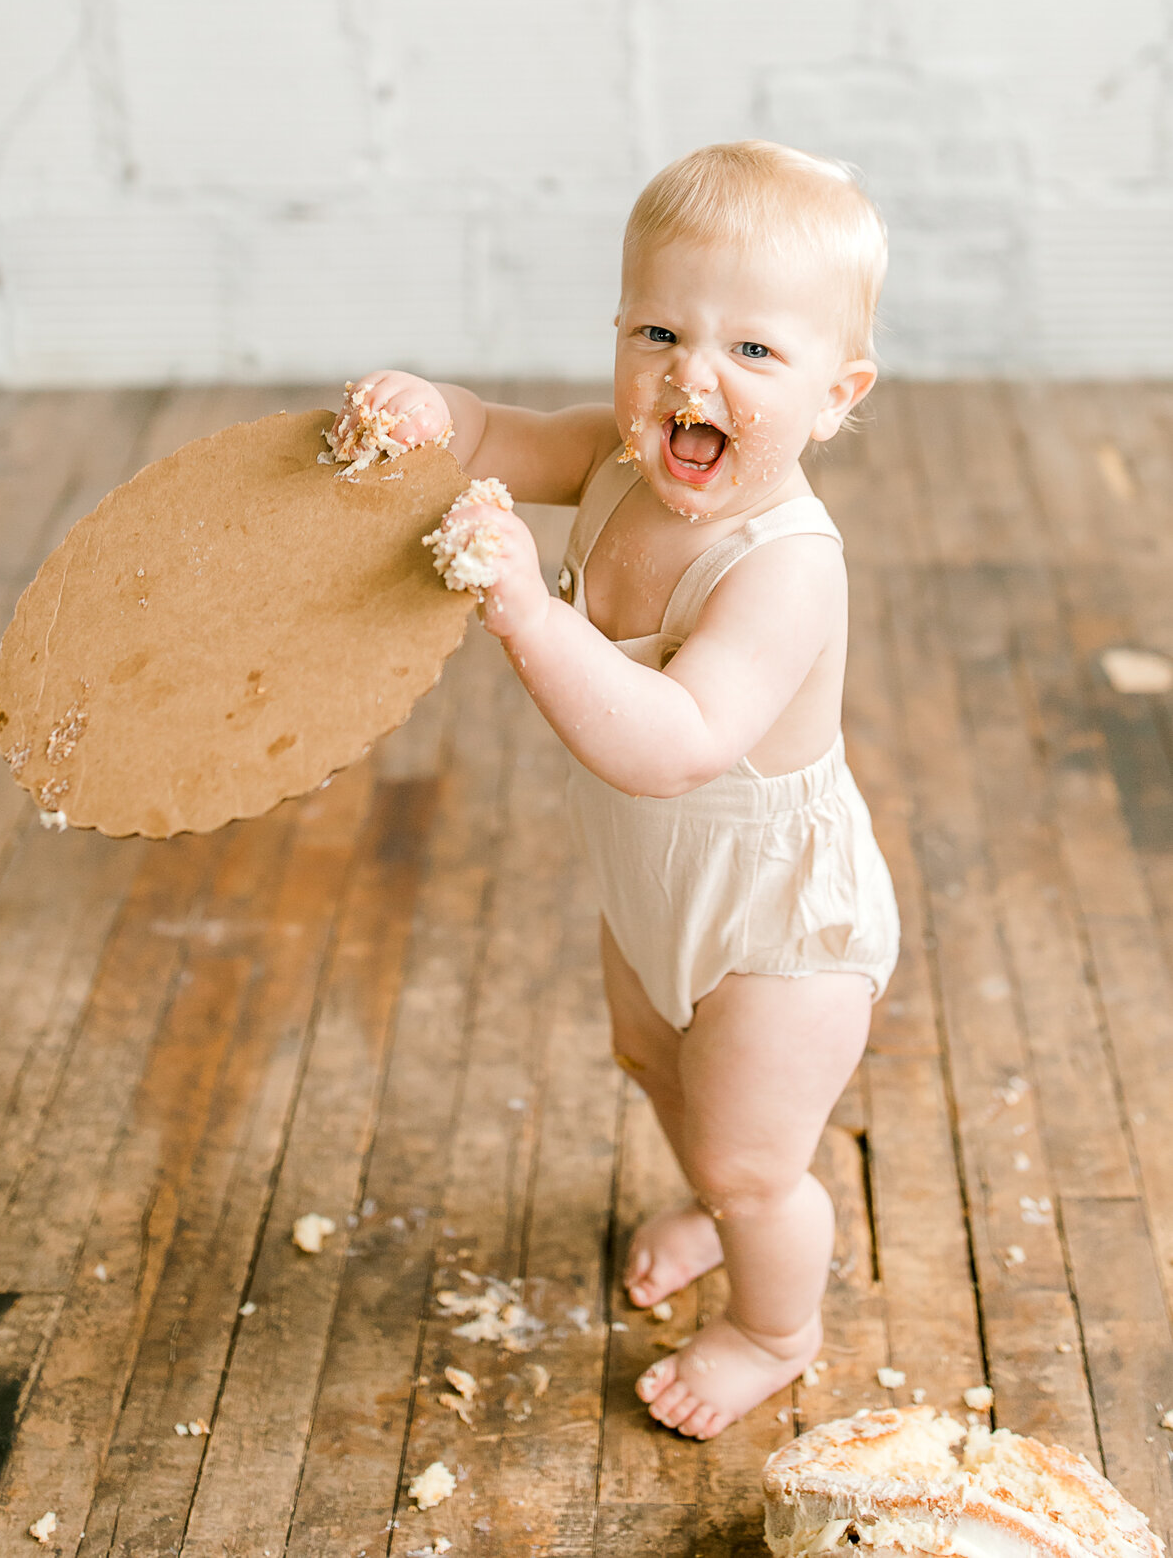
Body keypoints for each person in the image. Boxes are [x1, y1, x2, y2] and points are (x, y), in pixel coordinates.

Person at [349, 141, 895, 1438]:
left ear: (836, 392)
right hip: (657, 884)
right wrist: (428, 410)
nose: (689, 374)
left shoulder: (784, 566)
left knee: (753, 1153)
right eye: (660, 329)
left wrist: (529, 608)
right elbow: (491, 435)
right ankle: (714, 1205)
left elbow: (677, 739)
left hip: (776, 920)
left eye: (754, 353)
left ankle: (775, 1323)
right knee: (657, 1060)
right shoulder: (615, 457)